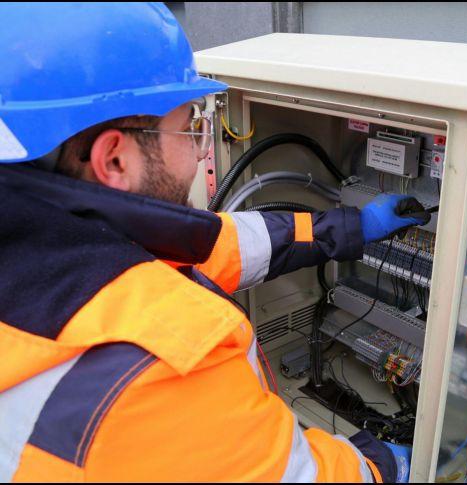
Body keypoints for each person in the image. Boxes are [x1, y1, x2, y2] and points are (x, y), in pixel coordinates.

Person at [0, 3, 427, 482]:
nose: (201, 149)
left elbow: (218, 245)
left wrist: (350, 227)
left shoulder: (52, 237)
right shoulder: (164, 363)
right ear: (114, 160)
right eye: (191, 127)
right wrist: (382, 463)